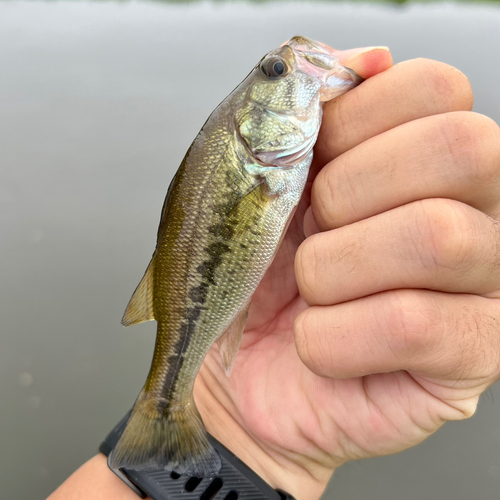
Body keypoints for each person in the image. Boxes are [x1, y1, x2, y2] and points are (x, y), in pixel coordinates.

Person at [48, 46, 500, 500]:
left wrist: (252, 448)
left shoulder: (263, 166)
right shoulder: (257, 167)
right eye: (276, 71)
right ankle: (165, 409)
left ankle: (164, 416)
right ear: (249, 129)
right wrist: (241, 443)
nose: (287, 65)